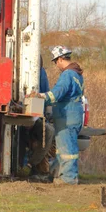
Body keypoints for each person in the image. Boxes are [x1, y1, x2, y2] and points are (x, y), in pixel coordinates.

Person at [37, 46, 84, 184]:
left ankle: (68, 179)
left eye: (55, 62)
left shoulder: (67, 75)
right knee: (63, 148)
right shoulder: (77, 74)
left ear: (61, 59)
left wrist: (40, 96)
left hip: (66, 115)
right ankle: (56, 173)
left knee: (67, 149)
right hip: (73, 114)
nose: (56, 65)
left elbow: (56, 94)